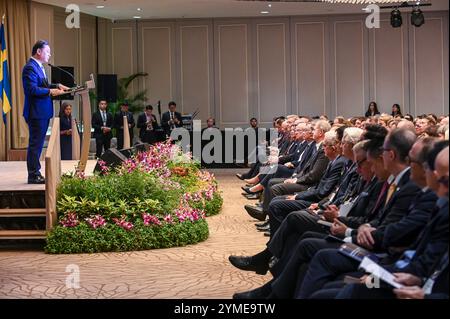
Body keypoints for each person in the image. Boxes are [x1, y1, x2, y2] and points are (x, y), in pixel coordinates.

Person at [22, 40, 67, 184]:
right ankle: (33, 175)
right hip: (36, 112)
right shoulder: (30, 67)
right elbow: (32, 90)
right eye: (47, 51)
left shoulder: (38, 66)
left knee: (39, 143)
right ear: (39, 52)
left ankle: (36, 172)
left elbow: (43, 85)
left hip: (42, 112)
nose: (50, 54)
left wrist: (57, 85)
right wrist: (50, 91)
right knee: (36, 144)